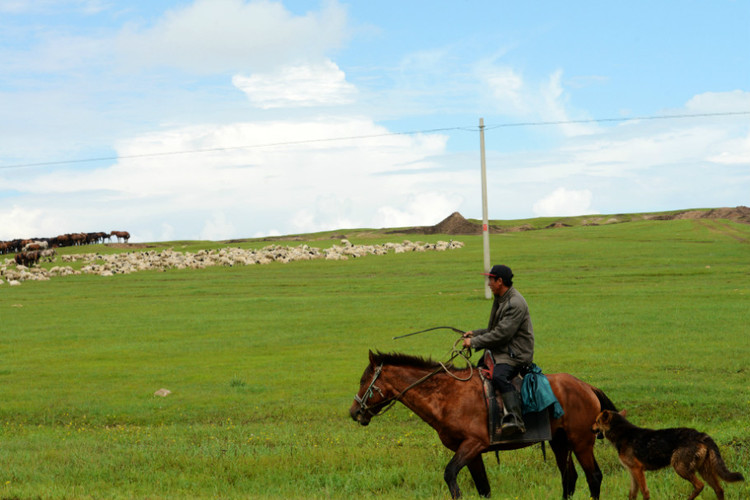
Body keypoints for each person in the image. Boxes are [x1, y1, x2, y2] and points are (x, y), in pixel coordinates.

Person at [462, 264, 534, 436]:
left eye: (490, 280)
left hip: (515, 355)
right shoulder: (501, 298)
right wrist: (476, 333)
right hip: (502, 350)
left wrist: (473, 342)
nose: (488, 284)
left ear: (500, 281)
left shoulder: (514, 303)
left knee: (498, 376)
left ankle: (516, 419)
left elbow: (502, 334)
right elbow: (496, 329)